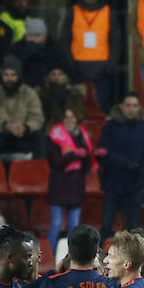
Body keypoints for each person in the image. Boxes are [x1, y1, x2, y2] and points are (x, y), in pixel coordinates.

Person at [96, 92, 144, 242]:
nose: (131, 109)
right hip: (113, 181)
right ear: (122, 107)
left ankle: (132, 260)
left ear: (139, 108)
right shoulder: (110, 126)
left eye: (135, 106)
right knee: (106, 224)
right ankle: (103, 258)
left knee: (133, 226)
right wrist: (124, 162)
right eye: (128, 105)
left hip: (136, 181)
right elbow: (103, 151)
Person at [45, 107, 98, 252]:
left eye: (72, 117)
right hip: (59, 186)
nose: (70, 120)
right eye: (66, 117)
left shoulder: (82, 135)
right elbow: (55, 162)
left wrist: (87, 155)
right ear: (61, 120)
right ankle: (48, 256)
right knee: (56, 224)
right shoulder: (54, 137)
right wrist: (73, 154)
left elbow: (87, 163)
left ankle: (71, 258)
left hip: (76, 187)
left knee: (73, 227)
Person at [62, 0, 120, 114]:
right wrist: (71, 63)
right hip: (78, 68)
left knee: (101, 106)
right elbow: (64, 39)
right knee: (78, 107)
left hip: (102, 68)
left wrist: (111, 64)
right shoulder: (73, 11)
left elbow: (116, 40)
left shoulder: (108, 12)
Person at [0, 55, 45, 160]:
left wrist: (25, 127)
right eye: (6, 75)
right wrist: (6, 126)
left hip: (23, 134)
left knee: (39, 136)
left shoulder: (29, 93)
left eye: (13, 75)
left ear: (19, 76)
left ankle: (39, 172)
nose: (9, 79)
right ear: (1, 76)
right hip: (2, 135)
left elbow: (37, 119)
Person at [9, 18, 58, 88]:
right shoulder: (17, 49)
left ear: (45, 37)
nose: (33, 39)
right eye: (30, 35)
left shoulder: (53, 49)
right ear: (25, 36)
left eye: (37, 35)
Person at [0, 0, 31, 66]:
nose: (22, 4)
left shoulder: (28, 18)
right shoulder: (4, 20)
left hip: (26, 61)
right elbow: (2, 48)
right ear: (12, 2)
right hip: (12, 64)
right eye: (18, 1)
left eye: (24, 1)